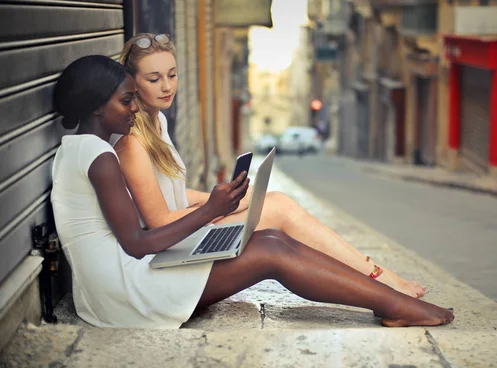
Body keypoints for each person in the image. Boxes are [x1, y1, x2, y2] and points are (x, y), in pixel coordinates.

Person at [51, 54, 454, 328]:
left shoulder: (85, 149)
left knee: (272, 236)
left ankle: (390, 299)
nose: (135, 108)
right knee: (271, 252)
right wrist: (210, 210)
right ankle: (397, 305)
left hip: (121, 284)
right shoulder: (99, 155)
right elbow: (138, 242)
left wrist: (210, 211)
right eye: (126, 101)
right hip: (124, 295)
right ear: (95, 107)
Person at [112, 33, 425, 297]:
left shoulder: (157, 122)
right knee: (282, 209)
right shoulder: (133, 142)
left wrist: (221, 199)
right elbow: (158, 223)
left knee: (274, 203)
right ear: (133, 83)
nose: (167, 86)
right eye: (154, 78)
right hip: (169, 251)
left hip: (186, 232)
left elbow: (174, 192)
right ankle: (380, 280)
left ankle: (373, 277)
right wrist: (215, 209)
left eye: (172, 74)